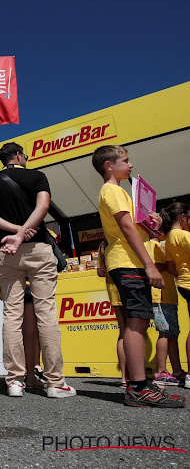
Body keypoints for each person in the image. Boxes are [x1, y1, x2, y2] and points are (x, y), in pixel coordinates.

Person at [0, 142, 75, 398]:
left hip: (6, 251)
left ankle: (15, 381)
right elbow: (42, 208)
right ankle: (55, 382)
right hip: (38, 248)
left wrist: (13, 231)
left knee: (12, 315)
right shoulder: (37, 176)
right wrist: (23, 231)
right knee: (46, 312)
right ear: (20, 156)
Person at [92, 145, 184, 407]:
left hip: (129, 262)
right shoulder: (113, 191)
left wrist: (153, 229)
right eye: (125, 160)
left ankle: (140, 385)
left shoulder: (116, 191)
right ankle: (138, 387)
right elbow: (126, 227)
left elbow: (133, 229)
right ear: (109, 165)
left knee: (139, 321)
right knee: (137, 322)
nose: (130, 165)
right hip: (128, 263)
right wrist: (149, 265)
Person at [161, 202, 190, 389]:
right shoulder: (183, 235)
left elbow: (172, 267)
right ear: (182, 217)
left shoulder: (170, 237)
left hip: (183, 283)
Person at [148, 235, 183, 386]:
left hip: (168, 294)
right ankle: (161, 371)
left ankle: (177, 370)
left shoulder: (159, 244)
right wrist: (171, 264)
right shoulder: (151, 245)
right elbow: (154, 266)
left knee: (172, 333)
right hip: (159, 295)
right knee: (164, 332)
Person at [96, 240, 128, 388]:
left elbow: (100, 272)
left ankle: (123, 377)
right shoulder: (121, 242)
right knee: (134, 330)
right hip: (129, 288)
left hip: (113, 292)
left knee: (122, 331)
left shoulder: (104, 246)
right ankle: (135, 375)